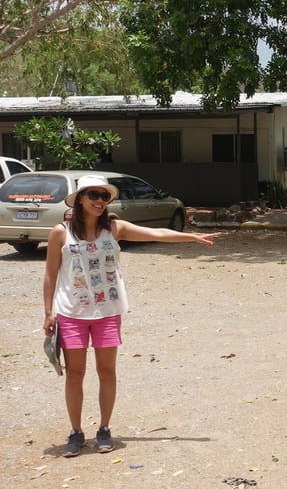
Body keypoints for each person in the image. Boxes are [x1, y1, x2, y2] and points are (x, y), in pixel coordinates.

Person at [42, 175, 220, 458]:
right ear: (80, 200)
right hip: (72, 313)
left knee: (107, 372)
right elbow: (51, 274)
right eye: (94, 195)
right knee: (75, 374)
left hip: (107, 312)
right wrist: (48, 312)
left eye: (104, 196)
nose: (100, 201)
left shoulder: (114, 228)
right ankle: (76, 432)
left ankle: (104, 429)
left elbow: (156, 234)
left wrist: (192, 236)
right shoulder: (60, 233)